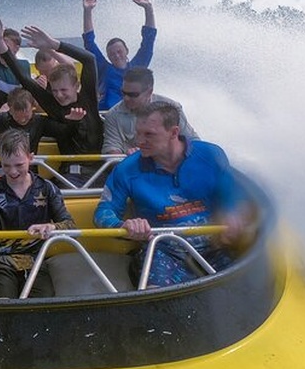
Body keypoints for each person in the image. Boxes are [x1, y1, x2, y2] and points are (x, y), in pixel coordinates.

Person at [94, 102, 250, 288]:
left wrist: (232, 212)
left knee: (247, 281)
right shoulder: (127, 169)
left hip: (214, 245)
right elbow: (103, 212)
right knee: (155, 290)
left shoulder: (210, 155)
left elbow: (231, 193)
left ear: (174, 133)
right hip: (163, 249)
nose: (138, 141)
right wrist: (124, 225)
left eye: (149, 135)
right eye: (138, 133)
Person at [0, 11, 104, 185]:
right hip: (70, 173)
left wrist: (54, 45)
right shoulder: (52, 104)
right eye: (54, 91)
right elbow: (23, 78)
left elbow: (89, 59)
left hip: (101, 167)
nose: (59, 95)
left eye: (63, 90)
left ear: (76, 87)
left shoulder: (88, 98)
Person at [0, 129, 75, 298]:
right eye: (6, 165)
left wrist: (52, 226)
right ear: (0, 160)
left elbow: (69, 224)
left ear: (30, 158)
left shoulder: (47, 188)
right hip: (1, 261)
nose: (13, 172)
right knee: (4, 304)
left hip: (36, 261)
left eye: (19, 165)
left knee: (43, 306)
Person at [82, 0, 157, 110]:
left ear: (126, 51)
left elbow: (149, 40)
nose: (116, 55)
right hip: (106, 115)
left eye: (119, 51)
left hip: (133, 116)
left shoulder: (138, 66)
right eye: (111, 54)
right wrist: (87, 11)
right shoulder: (103, 68)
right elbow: (89, 43)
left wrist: (148, 8)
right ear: (108, 56)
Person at [103, 67, 198, 154]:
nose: (126, 98)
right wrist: (129, 161)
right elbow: (111, 148)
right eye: (123, 93)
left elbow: (193, 141)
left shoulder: (172, 108)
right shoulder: (113, 114)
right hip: (133, 168)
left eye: (133, 95)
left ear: (149, 92)